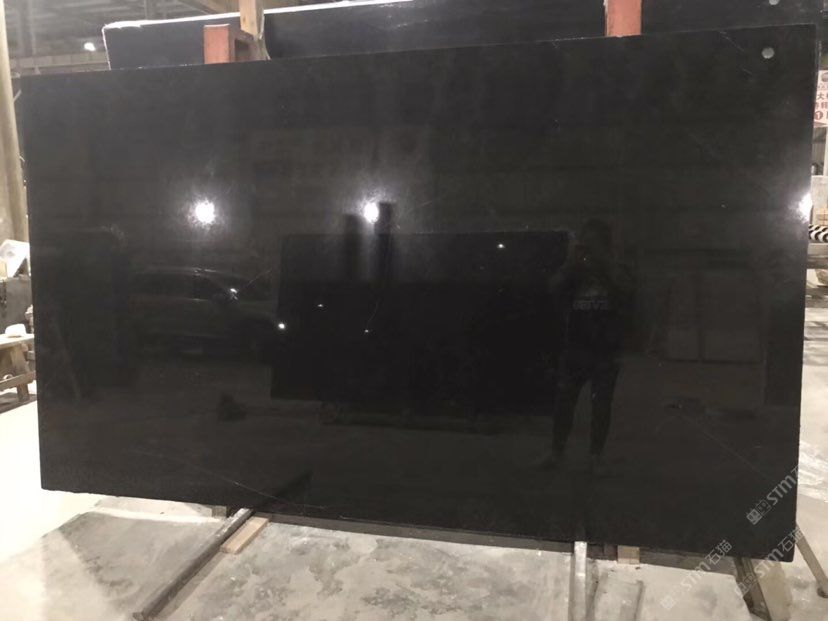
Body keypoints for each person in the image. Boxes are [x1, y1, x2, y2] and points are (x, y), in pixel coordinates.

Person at [538, 219, 632, 475]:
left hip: (606, 350)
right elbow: (552, 287)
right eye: (585, 240)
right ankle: (556, 453)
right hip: (576, 347)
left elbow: (626, 290)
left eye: (593, 241)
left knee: (601, 406)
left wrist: (605, 263)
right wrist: (571, 264)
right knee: (564, 402)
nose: (588, 246)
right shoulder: (576, 270)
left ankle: (595, 458)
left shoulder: (616, 268)